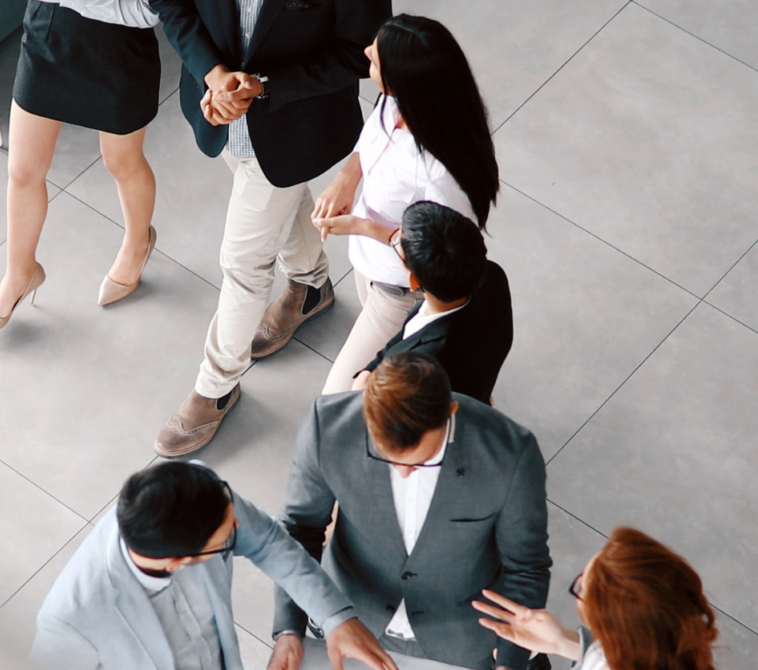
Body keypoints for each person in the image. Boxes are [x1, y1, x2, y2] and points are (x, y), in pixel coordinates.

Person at [148, 0, 391, 457]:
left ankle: (215, 386)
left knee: (243, 263)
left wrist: (264, 87)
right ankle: (311, 286)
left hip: (294, 121)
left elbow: (364, 51)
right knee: (281, 191)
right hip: (216, 110)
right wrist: (212, 73)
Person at [269, 352, 551, 670]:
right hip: (353, 618)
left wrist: (509, 668)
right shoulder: (328, 428)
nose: (403, 474)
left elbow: (525, 567)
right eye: (388, 458)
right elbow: (299, 531)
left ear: (449, 413)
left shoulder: (510, 454)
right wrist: (290, 628)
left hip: (462, 637)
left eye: (420, 461)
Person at [32, 461, 404, 670]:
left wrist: (335, 617)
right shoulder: (71, 618)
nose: (240, 524)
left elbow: (270, 542)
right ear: (181, 560)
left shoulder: (204, 491)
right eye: (229, 535)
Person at [313, 14, 500, 395]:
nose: (366, 51)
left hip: (401, 290)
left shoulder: (439, 173)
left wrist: (364, 227)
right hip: (371, 266)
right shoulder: (396, 102)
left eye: (375, 59)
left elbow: (444, 251)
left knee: (336, 399)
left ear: (403, 81)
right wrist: (346, 180)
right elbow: (371, 140)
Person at [0, 0, 162, 331]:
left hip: (120, 45)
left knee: (121, 162)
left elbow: (152, 9)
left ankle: (138, 242)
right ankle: (19, 274)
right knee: (23, 170)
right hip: (50, 32)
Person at [474, 528, 731, 670]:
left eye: (581, 588)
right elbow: (609, 660)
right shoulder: (650, 645)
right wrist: (561, 642)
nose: (577, 587)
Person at [347, 201, 512, 406]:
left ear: (414, 281)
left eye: (398, 244)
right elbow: (408, 334)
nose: (395, 239)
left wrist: (364, 383)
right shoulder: (492, 275)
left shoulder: (420, 367)